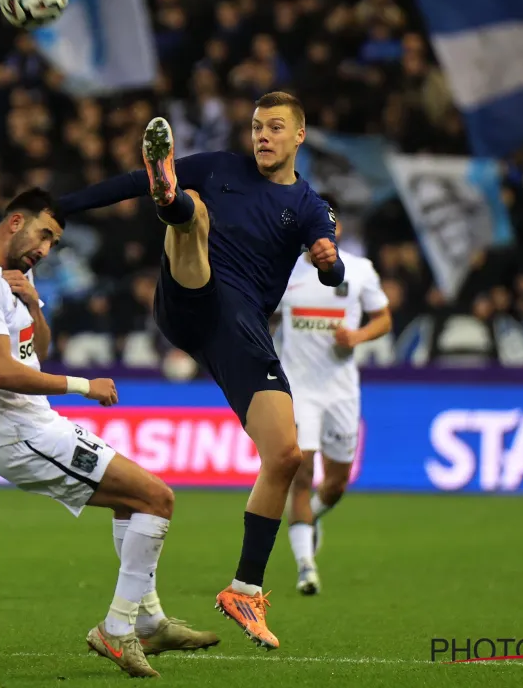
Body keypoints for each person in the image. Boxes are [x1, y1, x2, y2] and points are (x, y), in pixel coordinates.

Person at [57, 92, 344, 650]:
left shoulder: (310, 203)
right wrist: (60, 206)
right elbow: (125, 182)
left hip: (238, 332)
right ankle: (173, 201)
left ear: (299, 136)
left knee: (284, 454)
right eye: (257, 126)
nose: (263, 136)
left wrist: (329, 265)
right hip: (189, 297)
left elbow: (329, 260)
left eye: (275, 128)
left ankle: (245, 588)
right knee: (192, 208)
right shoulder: (219, 167)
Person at [0, 188, 220, 678]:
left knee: (133, 500)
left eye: (52, 241)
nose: (45, 249)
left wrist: (33, 306)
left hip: (34, 424)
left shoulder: (14, 274)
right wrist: (82, 385)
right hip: (19, 433)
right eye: (44, 234)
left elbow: (35, 349)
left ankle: (150, 620)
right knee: (158, 498)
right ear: (15, 221)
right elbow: (3, 372)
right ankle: (117, 628)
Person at [273, 193, 392, 595]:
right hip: (298, 389)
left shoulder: (359, 271)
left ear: (336, 228)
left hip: (341, 392)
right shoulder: (283, 271)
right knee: (301, 476)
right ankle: (306, 566)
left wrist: (356, 336)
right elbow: (263, 314)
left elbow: (384, 318)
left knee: (337, 483)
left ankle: (313, 520)